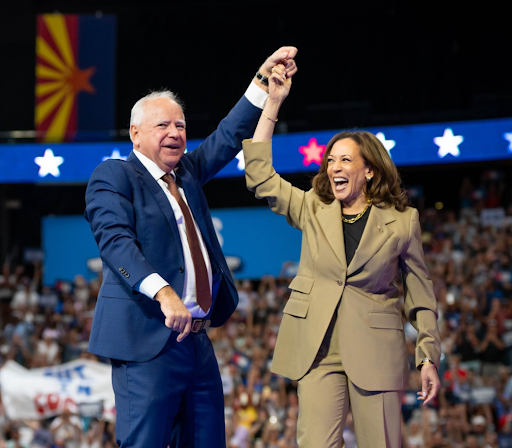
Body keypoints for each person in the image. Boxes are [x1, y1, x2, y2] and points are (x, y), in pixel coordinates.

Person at [84, 47, 298, 448]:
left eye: (180, 125)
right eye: (162, 124)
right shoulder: (115, 175)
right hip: (147, 341)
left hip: (197, 343)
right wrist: (164, 293)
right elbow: (115, 243)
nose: (175, 133)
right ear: (135, 134)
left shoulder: (187, 174)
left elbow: (228, 135)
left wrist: (262, 83)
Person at [242, 64, 441, 447]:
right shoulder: (313, 208)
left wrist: (428, 355)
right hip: (318, 348)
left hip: (376, 351)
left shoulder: (402, 222)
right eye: (331, 161)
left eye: (345, 161)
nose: (334, 167)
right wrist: (272, 104)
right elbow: (260, 176)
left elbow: (421, 293)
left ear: (368, 171)